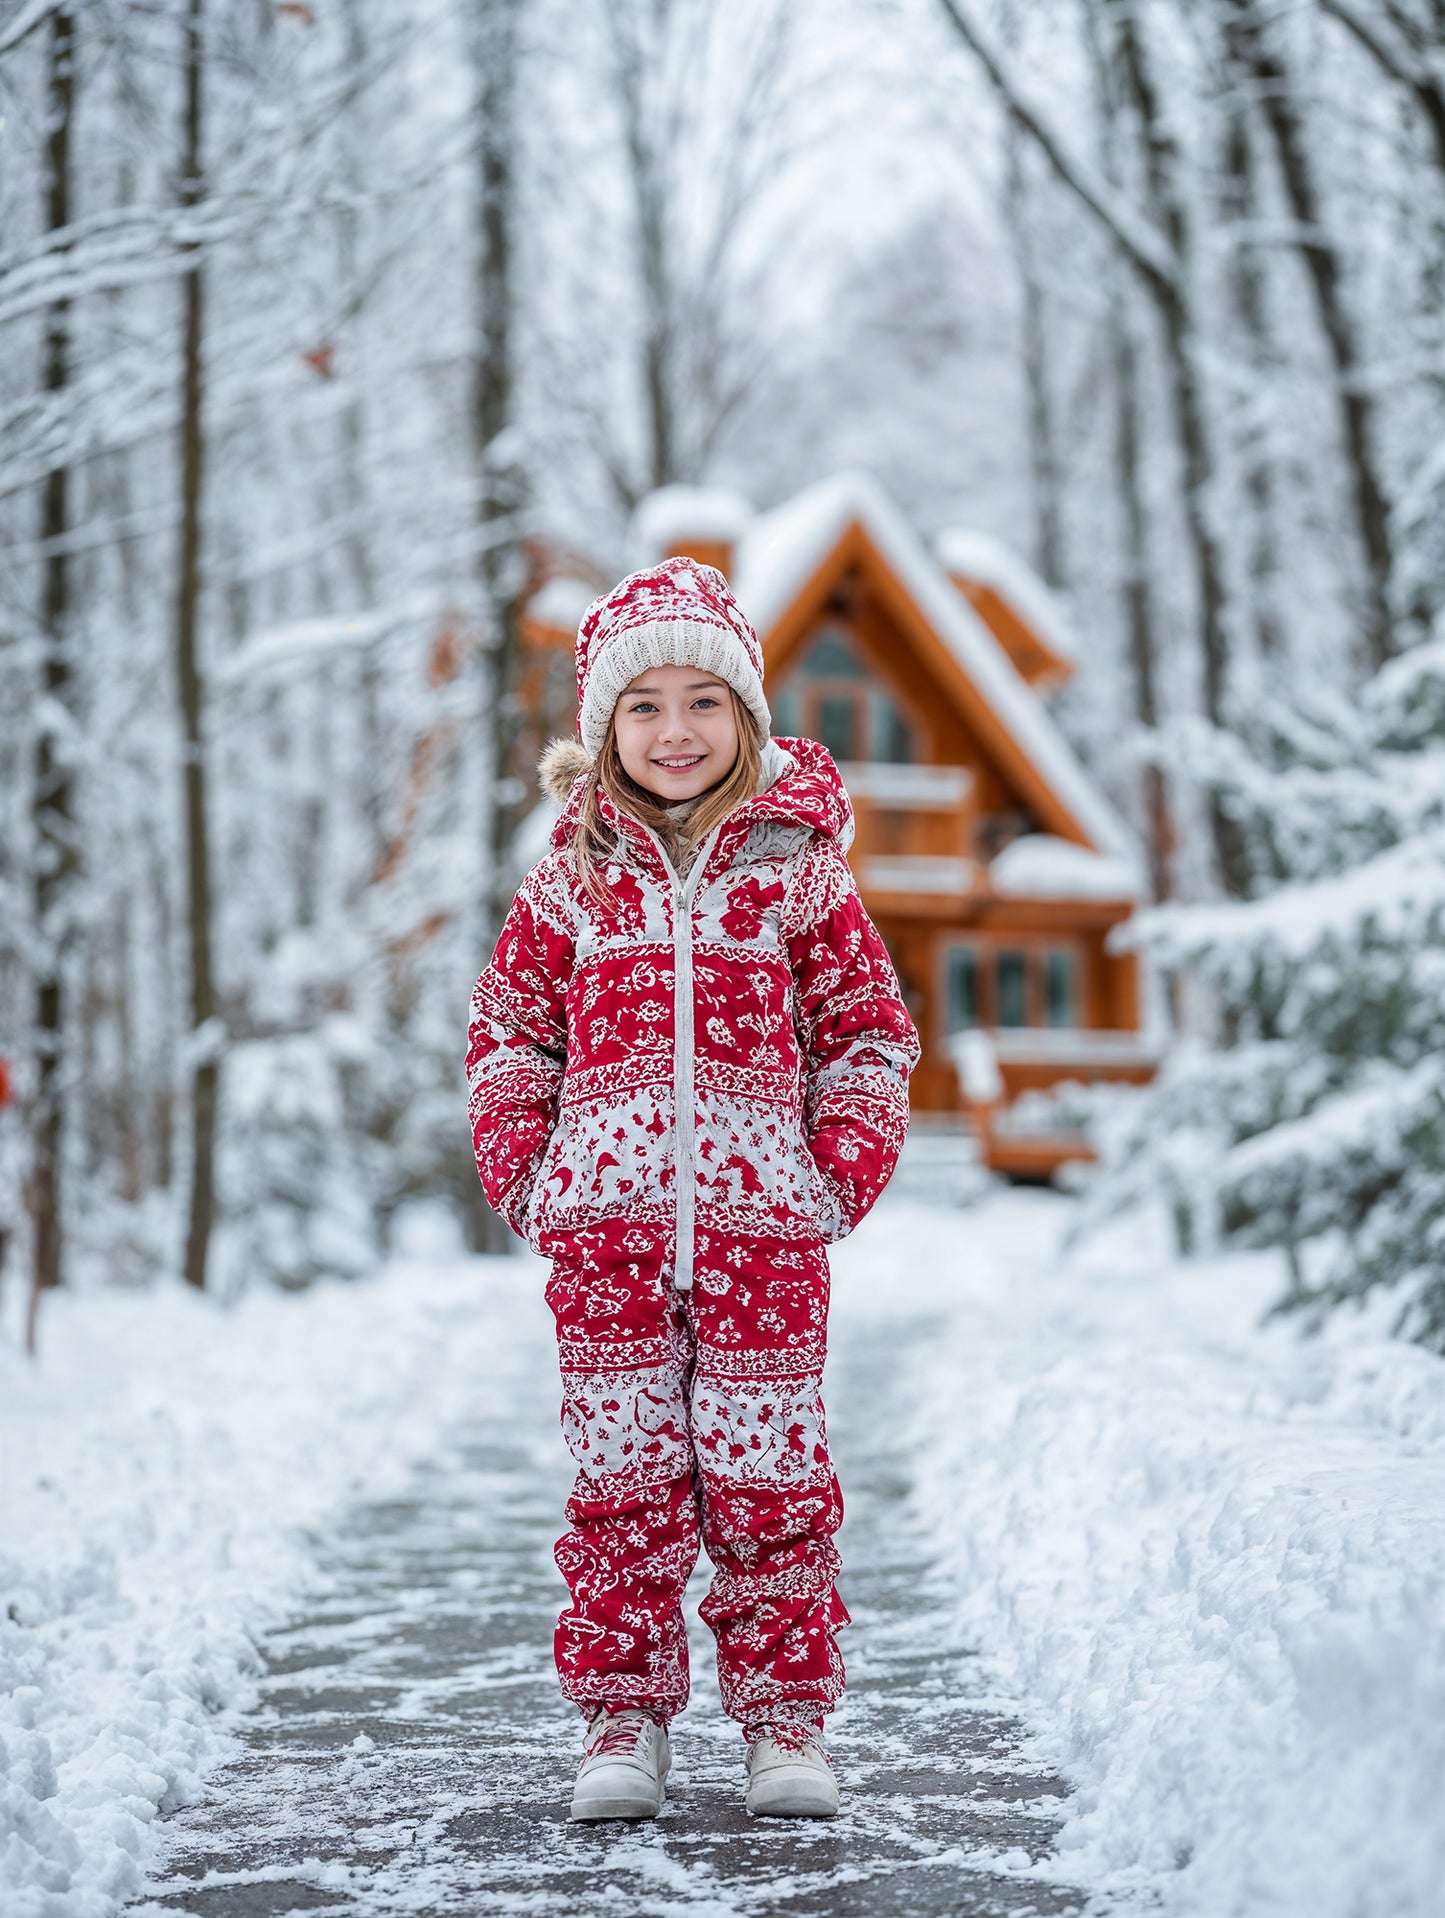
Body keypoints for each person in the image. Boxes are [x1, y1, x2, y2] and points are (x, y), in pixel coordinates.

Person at [466, 556, 919, 1822]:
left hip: (764, 1237)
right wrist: (527, 1169)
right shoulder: (569, 878)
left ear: (749, 718)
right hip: (603, 1240)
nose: (675, 731)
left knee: (768, 1474)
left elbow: (868, 1033)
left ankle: (784, 1724)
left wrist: (831, 1172)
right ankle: (623, 1717)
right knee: (621, 1479)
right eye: (645, 703)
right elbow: (509, 1031)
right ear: (603, 726)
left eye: (704, 701)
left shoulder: (800, 873)